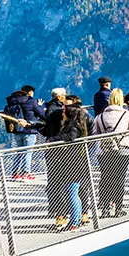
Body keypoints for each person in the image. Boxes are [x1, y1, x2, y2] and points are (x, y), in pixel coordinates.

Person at [92, 88, 129, 218]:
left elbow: (94, 134)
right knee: (119, 179)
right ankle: (118, 208)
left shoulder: (100, 116)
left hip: (104, 151)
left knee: (105, 178)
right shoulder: (125, 114)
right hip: (123, 150)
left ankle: (104, 208)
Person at [43, 96, 91, 231]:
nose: (62, 110)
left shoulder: (74, 126)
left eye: (64, 109)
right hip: (70, 164)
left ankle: (74, 222)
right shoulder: (73, 123)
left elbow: (70, 137)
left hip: (74, 165)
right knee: (71, 192)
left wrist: (52, 140)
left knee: (72, 192)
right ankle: (75, 220)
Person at [3, 85, 45, 179]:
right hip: (29, 130)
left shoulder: (12, 102)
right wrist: (39, 106)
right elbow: (42, 114)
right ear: (29, 92)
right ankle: (26, 173)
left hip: (17, 130)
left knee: (19, 152)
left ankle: (15, 173)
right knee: (28, 152)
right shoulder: (31, 101)